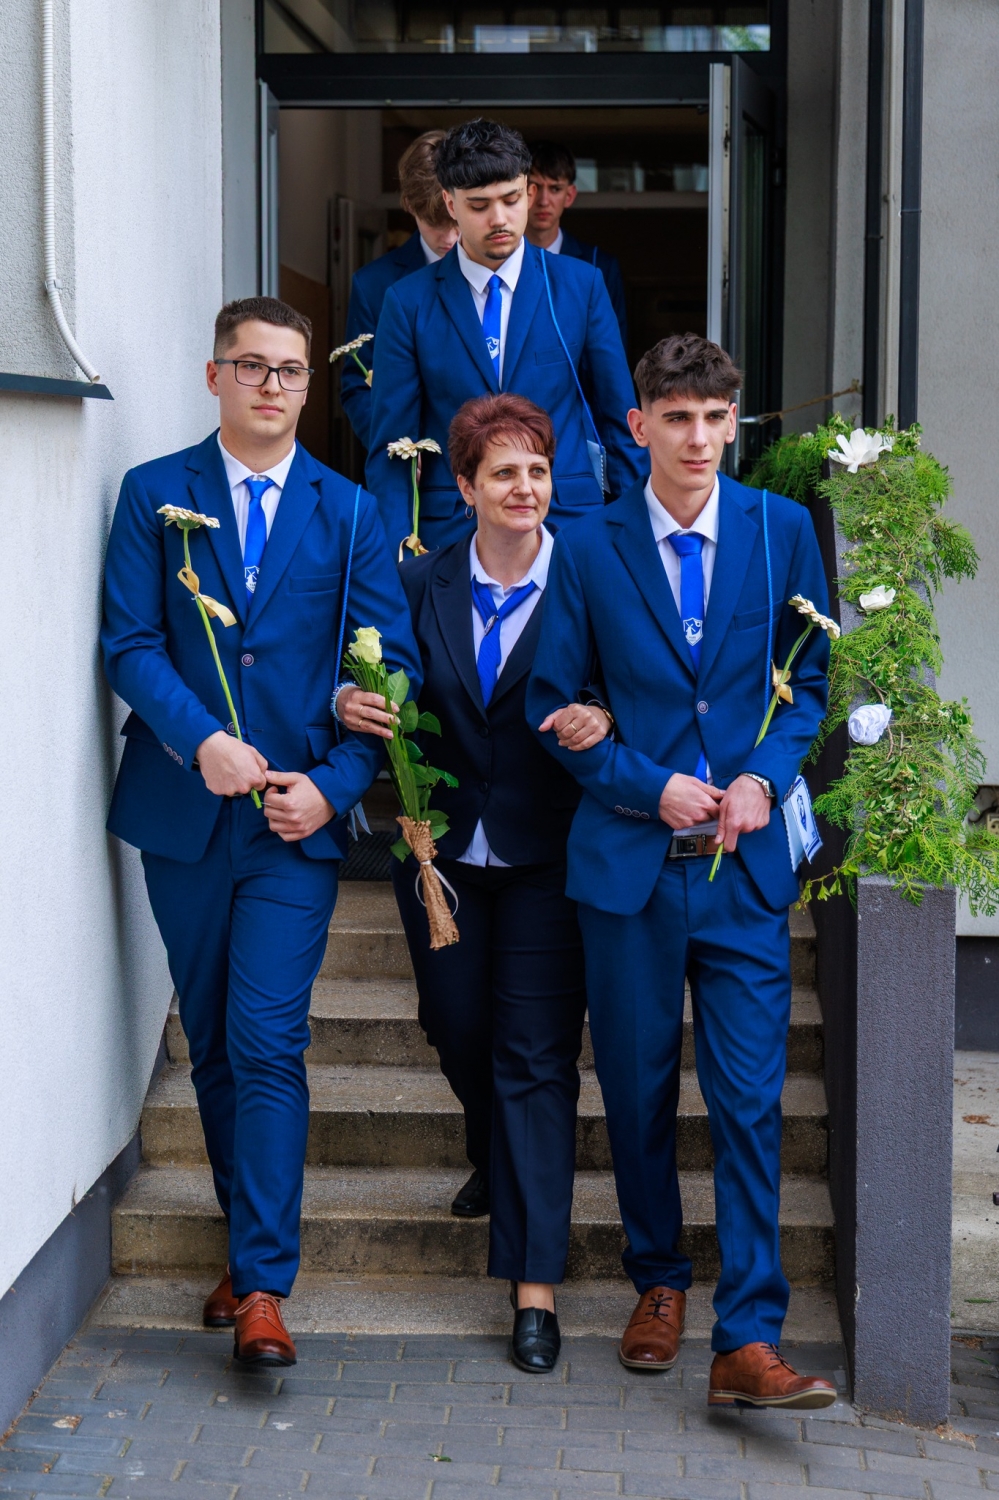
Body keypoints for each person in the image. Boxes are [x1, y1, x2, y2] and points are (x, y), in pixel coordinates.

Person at [101, 296, 421, 1369]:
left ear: (307, 385)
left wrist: (332, 787)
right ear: (215, 376)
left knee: (269, 1040)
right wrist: (200, 740)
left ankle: (264, 1288)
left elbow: (387, 671)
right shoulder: (153, 494)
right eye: (251, 366)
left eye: (289, 370)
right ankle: (245, 1252)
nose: (272, 385)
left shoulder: (351, 509)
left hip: (295, 825)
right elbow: (130, 643)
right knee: (213, 1044)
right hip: (183, 814)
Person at [526, 333, 838, 1410]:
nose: (698, 438)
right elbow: (552, 704)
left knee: (749, 1100)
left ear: (732, 422)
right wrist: (643, 783)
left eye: (714, 418)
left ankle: (747, 1337)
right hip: (631, 869)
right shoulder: (586, 545)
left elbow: (807, 682)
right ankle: (657, 1282)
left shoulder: (780, 529)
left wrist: (761, 776)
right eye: (677, 418)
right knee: (639, 1091)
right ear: (639, 425)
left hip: (742, 872)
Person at [340, 393, 611, 1373]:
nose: (524, 488)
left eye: (537, 470)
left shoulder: (590, 577)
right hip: (441, 856)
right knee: (455, 1026)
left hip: (549, 856)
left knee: (535, 1055)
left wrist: (603, 717)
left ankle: (533, 1289)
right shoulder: (421, 582)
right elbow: (374, 676)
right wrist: (350, 698)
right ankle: (496, 1156)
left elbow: (625, 682)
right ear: (464, 487)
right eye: (504, 472)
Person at [366, 117, 646, 556]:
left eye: (511, 199)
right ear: (450, 203)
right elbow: (391, 449)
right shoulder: (407, 302)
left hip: (568, 524)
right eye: (479, 205)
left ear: (528, 193)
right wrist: (398, 553)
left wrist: (634, 539)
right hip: (452, 528)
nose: (498, 219)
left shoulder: (582, 286)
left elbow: (619, 424)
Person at [340, 130, 458, 451]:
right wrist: (395, 451)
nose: (449, 237)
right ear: (409, 205)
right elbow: (356, 387)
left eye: (455, 221)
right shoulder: (373, 284)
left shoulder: (502, 271)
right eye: (434, 223)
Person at [526, 139, 628, 350]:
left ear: (570, 195)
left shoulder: (599, 264)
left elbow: (612, 349)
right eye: (534, 187)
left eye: (555, 188)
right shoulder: (499, 258)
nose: (543, 200)